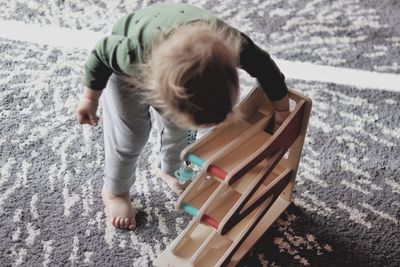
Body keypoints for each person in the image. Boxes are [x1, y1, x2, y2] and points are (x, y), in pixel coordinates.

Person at [75, 3, 291, 230]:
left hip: (173, 37)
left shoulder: (234, 45)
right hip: (124, 72)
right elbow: (100, 53)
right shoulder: (130, 55)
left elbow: (265, 67)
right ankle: (114, 191)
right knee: (130, 135)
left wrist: (282, 107)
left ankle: (170, 170)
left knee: (180, 132)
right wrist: (90, 99)